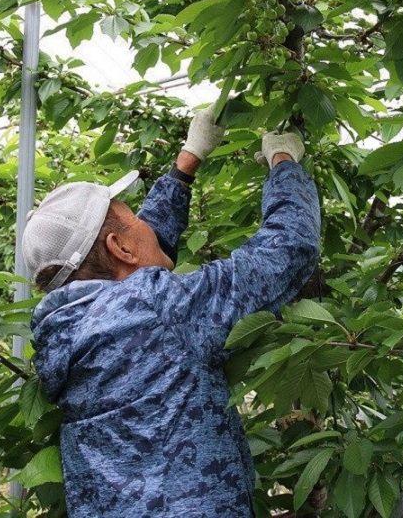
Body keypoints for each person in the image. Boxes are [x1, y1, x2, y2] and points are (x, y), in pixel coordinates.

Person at [22, 104, 321, 517]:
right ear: (119, 247)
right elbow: (288, 251)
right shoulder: (155, 309)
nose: (145, 223)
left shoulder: (64, 331)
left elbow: (136, 258)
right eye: (133, 217)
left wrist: (188, 160)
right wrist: (284, 162)